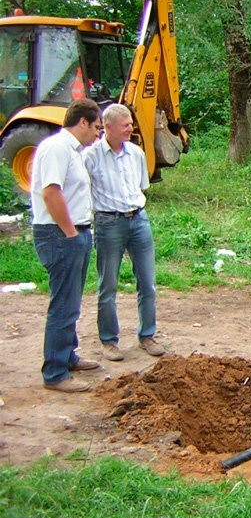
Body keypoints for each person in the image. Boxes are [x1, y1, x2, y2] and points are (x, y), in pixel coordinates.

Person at [31, 98, 102, 393]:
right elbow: (50, 193)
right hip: (59, 235)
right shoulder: (57, 148)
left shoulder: (74, 152)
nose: (98, 133)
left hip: (75, 233)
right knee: (63, 305)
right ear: (82, 122)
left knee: (71, 302)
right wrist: (71, 232)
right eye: (97, 127)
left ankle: (67, 356)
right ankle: (55, 372)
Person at [84, 104, 164, 361]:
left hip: (138, 220)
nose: (131, 128)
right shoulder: (91, 156)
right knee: (108, 285)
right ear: (108, 127)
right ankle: (109, 341)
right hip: (109, 224)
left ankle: (147, 335)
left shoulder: (136, 153)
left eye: (130, 123)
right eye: (125, 124)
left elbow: (142, 186)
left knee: (148, 282)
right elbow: (82, 190)